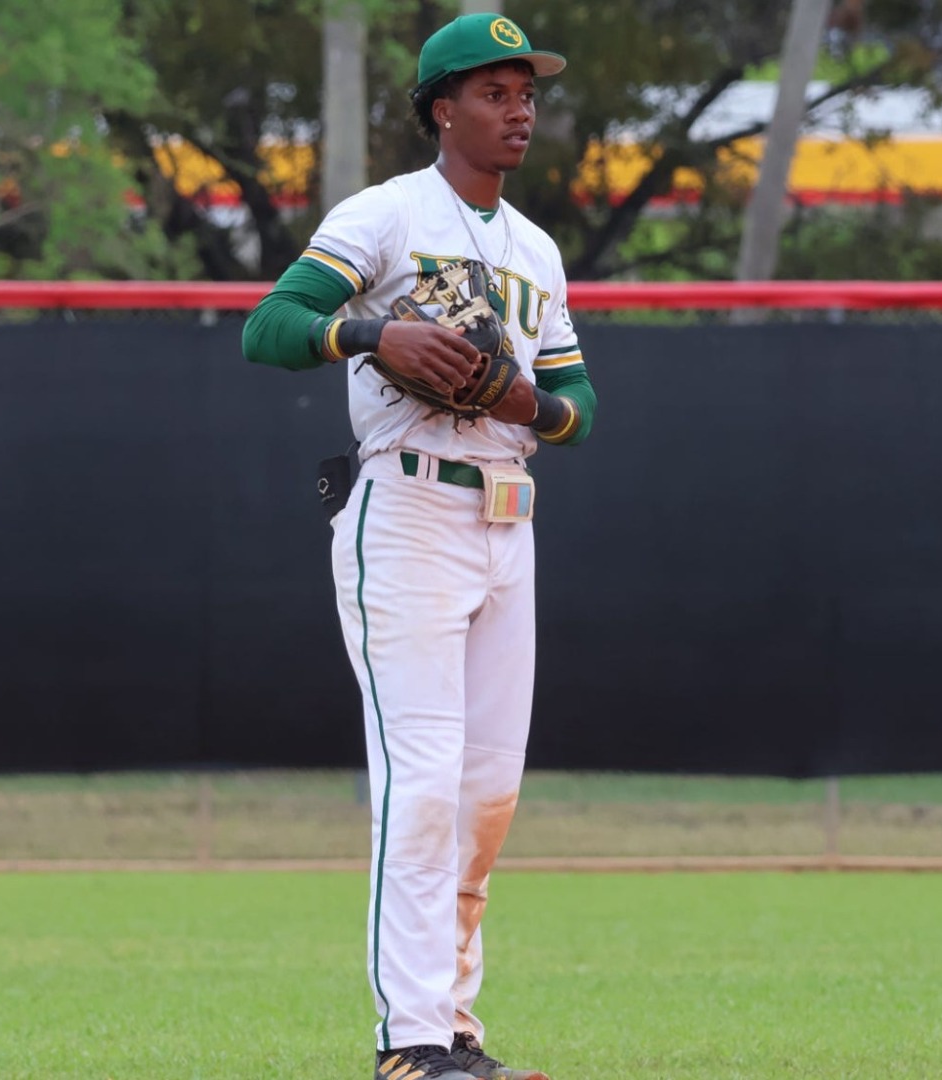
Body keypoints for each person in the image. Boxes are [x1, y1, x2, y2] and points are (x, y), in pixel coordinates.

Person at [241, 12, 595, 1080]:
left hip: (507, 521)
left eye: (525, 93)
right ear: (443, 109)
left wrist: (527, 402)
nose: (518, 110)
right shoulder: (386, 213)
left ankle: (456, 1032)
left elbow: (578, 408)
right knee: (425, 782)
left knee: (487, 796)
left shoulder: (536, 249)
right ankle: (410, 1043)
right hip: (407, 512)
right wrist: (370, 332)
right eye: (493, 92)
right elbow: (269, 328)